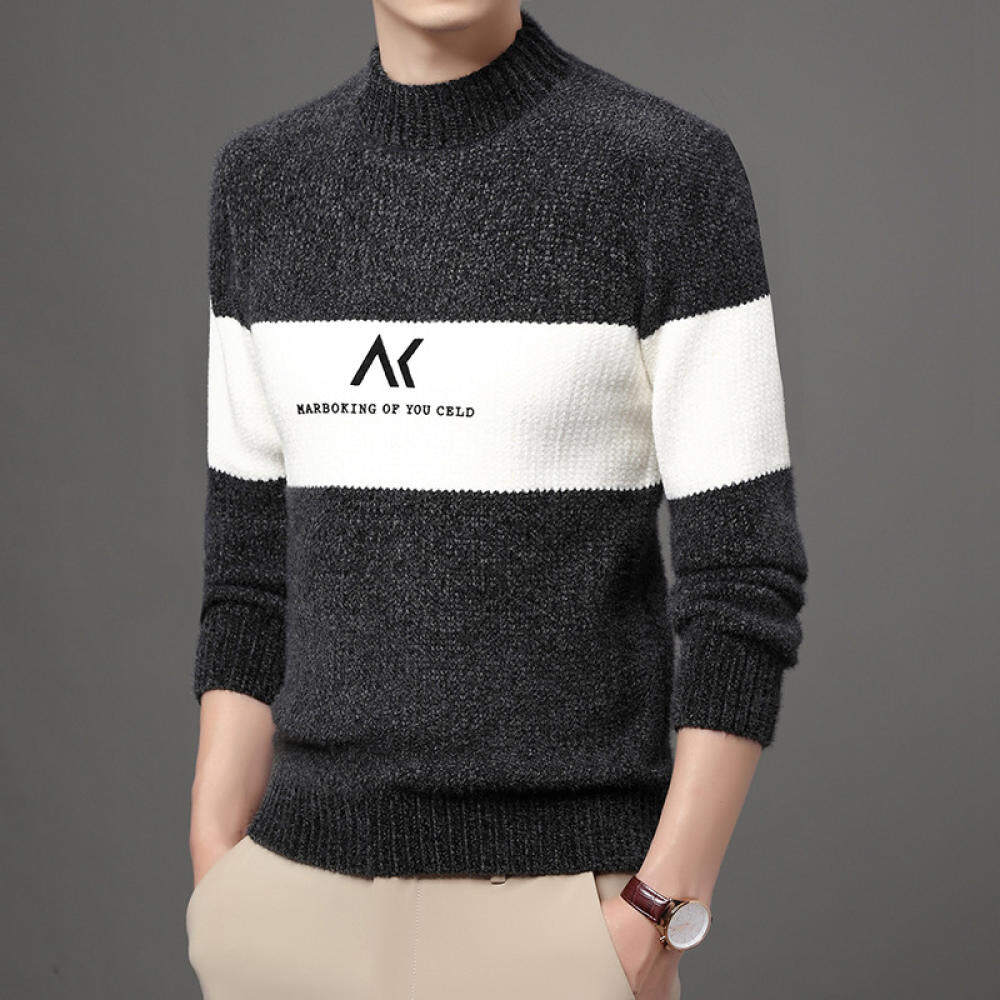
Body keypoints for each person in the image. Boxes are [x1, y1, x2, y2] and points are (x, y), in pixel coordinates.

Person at [185, 2, 809, 997]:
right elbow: (250, 571)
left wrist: (655, 906)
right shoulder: (264, 183)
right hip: (287, 908)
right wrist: (217, 860)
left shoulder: (664, 173)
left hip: (560, 918)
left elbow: (743, 577)